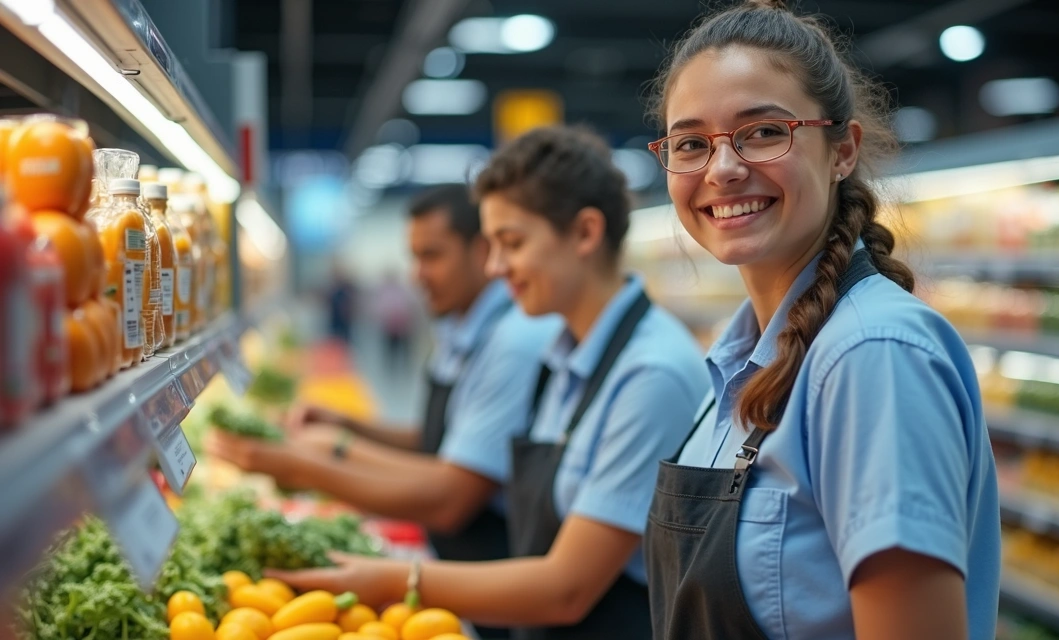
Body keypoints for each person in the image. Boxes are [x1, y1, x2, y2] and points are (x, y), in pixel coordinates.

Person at [641, 2, 1001, 639]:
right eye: (691, 144)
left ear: (842, 151)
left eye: (762, 132)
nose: (722, 169)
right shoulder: (738, 362)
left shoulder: (873, 355)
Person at [266, 126, 710, 640]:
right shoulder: (568, 356)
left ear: (586, 233)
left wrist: (394, 578)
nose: (496, 268)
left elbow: (566, 589)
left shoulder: (649, 375)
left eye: (512, 244)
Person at [208, 183, 560, 639]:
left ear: (480, 251)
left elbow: (451, 496)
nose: (417, 274)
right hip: (455, 575)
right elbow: (441, 441)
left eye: (432, 256)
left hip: (493, 581)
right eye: (414, 257)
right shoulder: (462, 328)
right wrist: (347, 427)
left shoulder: (512, 340)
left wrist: (312, 462)